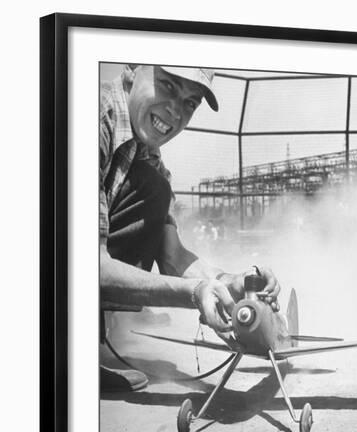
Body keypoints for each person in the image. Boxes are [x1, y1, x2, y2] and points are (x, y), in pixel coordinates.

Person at [100, 64, 280, 390]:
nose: (176, 110)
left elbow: (174, 258)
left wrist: (232, 283)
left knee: (154, 187)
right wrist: (194, 294)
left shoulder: (148, 158)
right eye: (168, 86)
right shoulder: (88, 117)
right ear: (130, 72)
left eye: (190, 103)